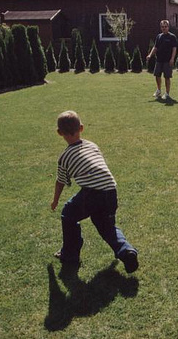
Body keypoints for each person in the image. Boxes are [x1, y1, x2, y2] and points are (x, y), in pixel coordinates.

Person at [50, 110, 138, 273]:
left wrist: (55, 201)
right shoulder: (92, 145)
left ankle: (69, 254)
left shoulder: (64, 157)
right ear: (81, 128)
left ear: (59, 133)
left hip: (93, 193)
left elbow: (61, 181)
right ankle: (126, 252)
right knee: (107, 226)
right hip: (111, 190)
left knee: (68, 214)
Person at [146, 19, 177, 100]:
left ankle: (167, 93)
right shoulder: (159, 36)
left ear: (168, 27)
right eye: (162, 27)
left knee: (167, 77)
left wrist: (172, 59)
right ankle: (159, 90)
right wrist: (150, 55)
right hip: (159, 60)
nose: (164, 28)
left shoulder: (172, 37)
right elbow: (155, 47)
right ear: (161, 28)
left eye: (165, 27)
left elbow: (174, 48)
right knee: (157, 75)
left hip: (167, 61)